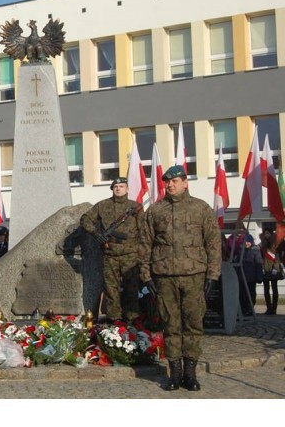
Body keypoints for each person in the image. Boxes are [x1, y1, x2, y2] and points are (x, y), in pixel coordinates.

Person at [139, 165, 221, 392]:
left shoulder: (201, 209)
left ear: (185, 182)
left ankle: (190, 373)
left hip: (194, 276)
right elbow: (145, 245)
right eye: (167, 181)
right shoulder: (155, 211)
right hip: (164, 277)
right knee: (171, 324)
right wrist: (146, 277)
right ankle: (174, 373)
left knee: (193, 324)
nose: (170, 185)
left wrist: (212, 275)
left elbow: (213, 244)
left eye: (174, 181)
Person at [80, 177, 144, 323]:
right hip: (110, 255)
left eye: (121, 186)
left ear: (127, 189)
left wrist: (142, 251)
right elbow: (85, 219)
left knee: (131, 288)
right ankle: (114, 319)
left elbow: (143, 229)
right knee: (111, 289)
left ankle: (132, 320)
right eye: (115, 186)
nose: (118, 189)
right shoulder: (103, 206)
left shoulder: (136, 207)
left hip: (131, 254)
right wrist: (96, 234)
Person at [236, 234, 263, 316]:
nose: (246, 243)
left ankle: (250, 308)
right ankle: (243, 308)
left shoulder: (255, 251)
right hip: (242, 277)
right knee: (242, 294)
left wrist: (259, 276)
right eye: (245, 242)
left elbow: (258, 264)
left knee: (251, 294)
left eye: (248, 242)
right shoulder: (241, 251)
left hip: (251, 277)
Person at [261, 234, 283, 315]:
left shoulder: (275, 245)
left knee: (274, 289)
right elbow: (261, 257)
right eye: (265, 233)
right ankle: (268, 308)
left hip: (274, 268)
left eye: (268, 233)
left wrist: (275, 268)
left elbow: (278, 256)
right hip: (265, 268)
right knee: (266, 290)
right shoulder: (262, 246)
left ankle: (274, 308)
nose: (266, 235)